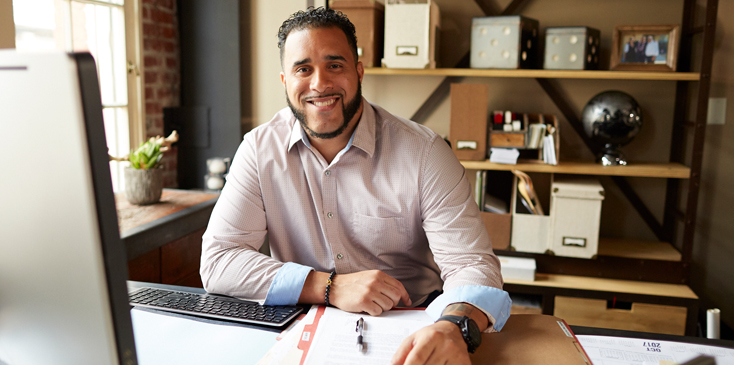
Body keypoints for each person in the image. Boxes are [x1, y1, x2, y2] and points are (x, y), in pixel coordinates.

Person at [200, 7, 511, 364]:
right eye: (304, 69)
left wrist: (455, 326)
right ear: (285, 81)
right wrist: (328, 286)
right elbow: (220, 261)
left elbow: (472, 265)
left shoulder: (425, 152)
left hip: (412, 330)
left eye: (335, 65)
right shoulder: (258, 150)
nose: (319, 83)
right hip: (302, 328)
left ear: (358, 71)